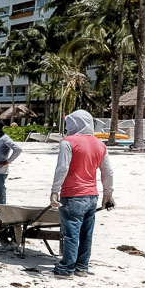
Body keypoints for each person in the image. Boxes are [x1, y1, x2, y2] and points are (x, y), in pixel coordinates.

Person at [50, 110, 115, 278]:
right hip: (92, 196)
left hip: (72, 195)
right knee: (86, 234)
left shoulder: (68, 142)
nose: (68, 126)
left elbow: (62, 168)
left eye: (70, 123)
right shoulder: (100, 144)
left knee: (71, 234)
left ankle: (66, 269)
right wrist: (108, 194)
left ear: (76, 124)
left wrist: (54, 190)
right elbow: (107, 171)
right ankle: (82, 267)